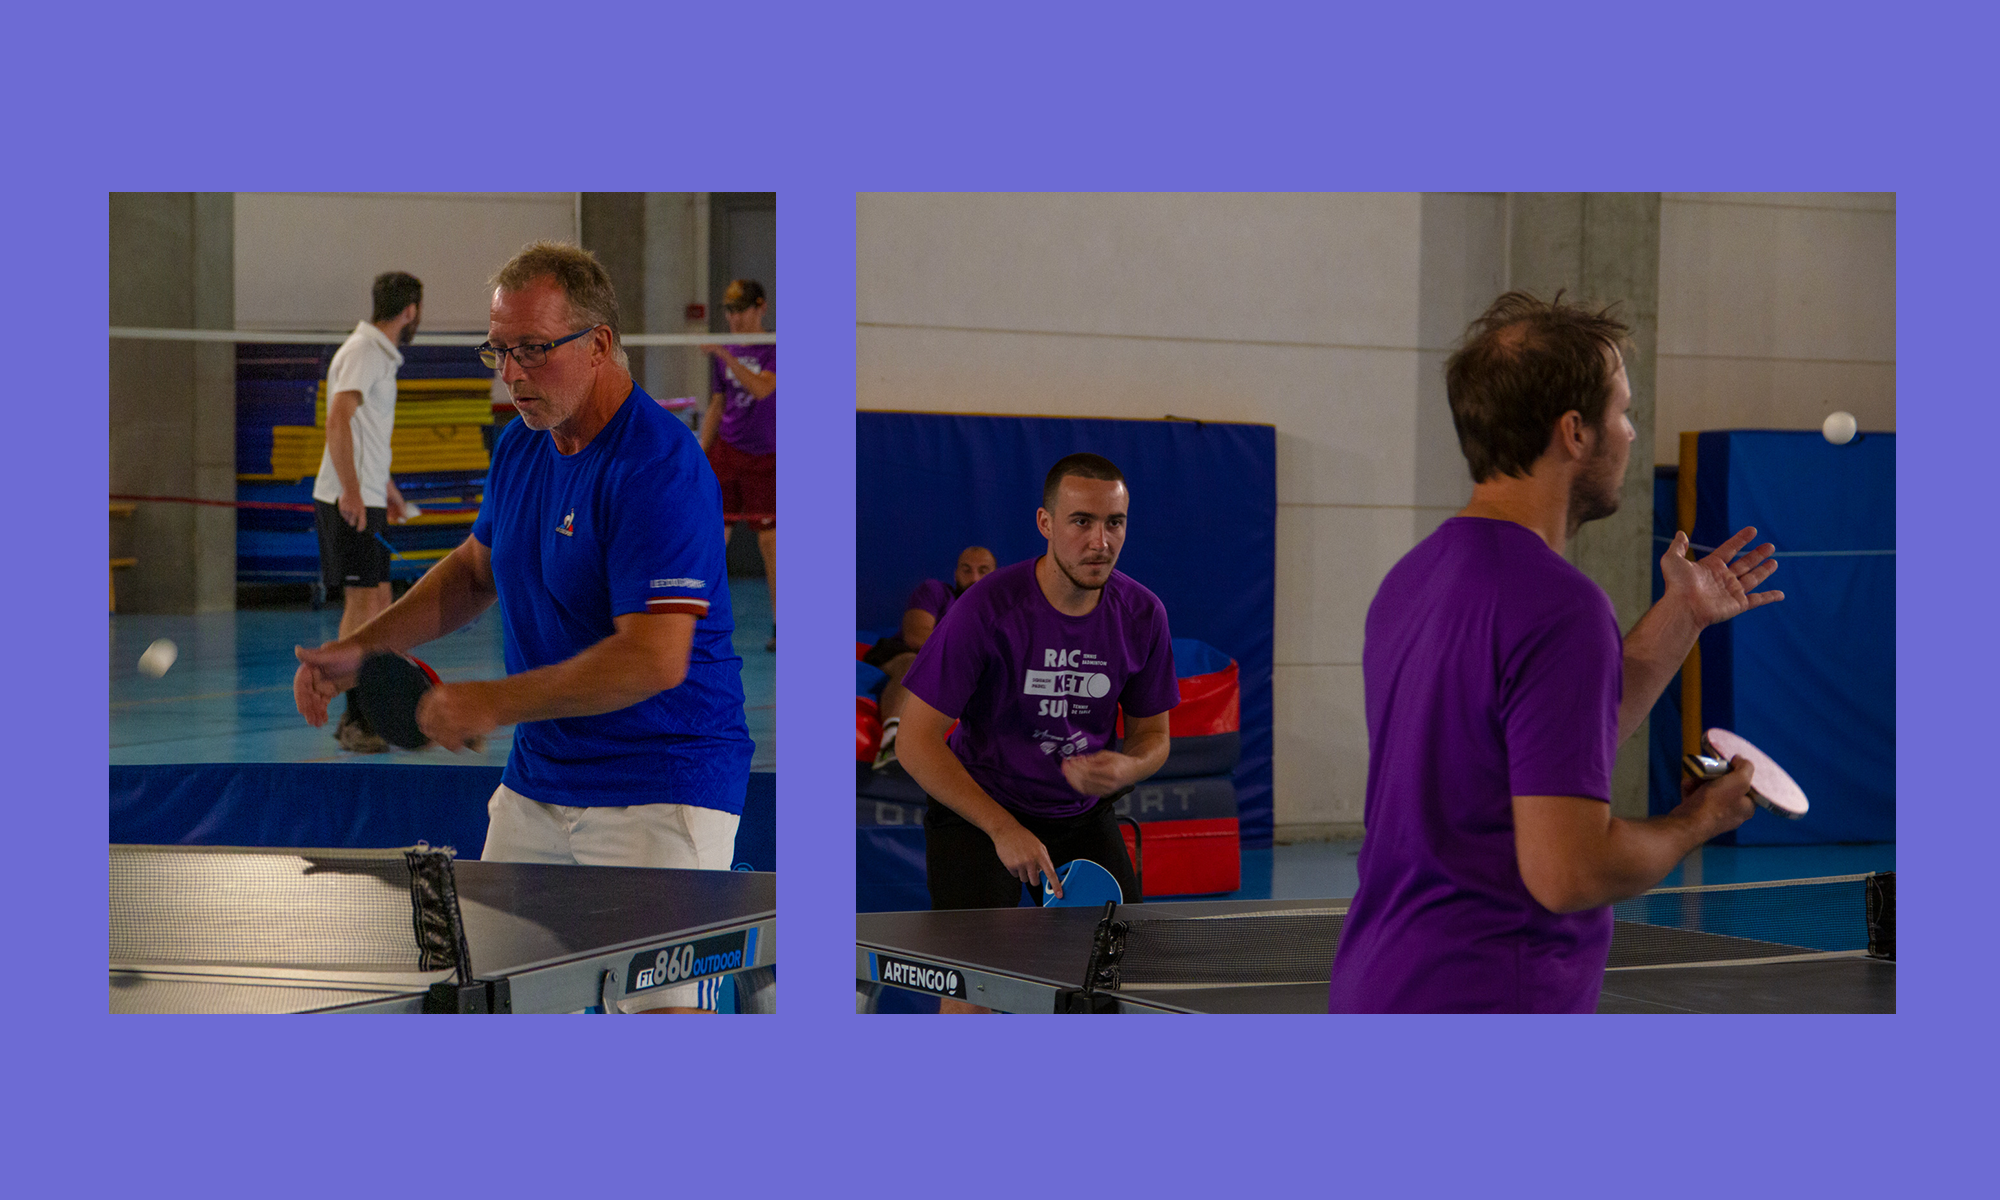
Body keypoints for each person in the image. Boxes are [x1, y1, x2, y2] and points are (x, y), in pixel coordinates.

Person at [294, 242, 752, 1013]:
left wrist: (493, 702)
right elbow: (476, 568)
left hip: (662, 786)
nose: (510, 374)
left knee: (664, 1024)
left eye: (533, 350)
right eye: (498, 351)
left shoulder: (657, 467)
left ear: (599, 344)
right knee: (493, 1006)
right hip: (539, 784)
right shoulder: (522, 447)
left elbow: (655, 657)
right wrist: (360, 648)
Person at [1326, 291, 1784, 1014]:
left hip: (1378, 983)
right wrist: (1697, 822)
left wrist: (1683, 617)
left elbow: (1548, 744)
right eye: (1622, 412)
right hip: (1489, 996)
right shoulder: (1558, 605)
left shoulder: (1410, 581)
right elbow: (1568, 873)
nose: (1631, 434)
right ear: (1574, 432)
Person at [896, 454, 1179, 1012]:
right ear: (1046, 524)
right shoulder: (986, 608)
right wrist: (1003, 829)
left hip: (1078, 814)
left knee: (1114, 985)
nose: (1100, 541)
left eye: (1114, 523)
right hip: (979, 812)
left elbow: (1153, 737)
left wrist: (1129, 767)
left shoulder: (1143, 614)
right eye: (1081, 522)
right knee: (972, 990)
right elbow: (915, 741)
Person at [312, 270, 422, 752]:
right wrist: (353, 492)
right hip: (347, 499)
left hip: (367, 495)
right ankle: (357, 721)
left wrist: (386, 490)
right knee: (362, 605)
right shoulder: (362, 352)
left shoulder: (378, 355)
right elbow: (338, 418)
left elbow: (366, 435)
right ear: (411, 311)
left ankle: (365, 713)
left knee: (378, 604)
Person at [864, 544, 998, 763]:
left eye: (983, 571)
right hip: (904, 654)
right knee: (914, 664)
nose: (974, 577)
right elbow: (916, 637)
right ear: (956, 574)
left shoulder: (1000, 615)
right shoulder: (936, 591)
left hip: (959, 674)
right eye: (966, 569)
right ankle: (892, 744)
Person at [698, 280, 776, 650]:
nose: (734, 318)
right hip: (726, 451)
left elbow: (763, 389)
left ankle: (782, 624)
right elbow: (717, 403)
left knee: (771, 542)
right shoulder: (722, 351)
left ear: (760, 308)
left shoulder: (774, 347)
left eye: (741, 309)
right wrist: (701, 449)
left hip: (766, 455)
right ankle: (697, 619)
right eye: (729, 310)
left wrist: (725, 355)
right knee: (711, 533)